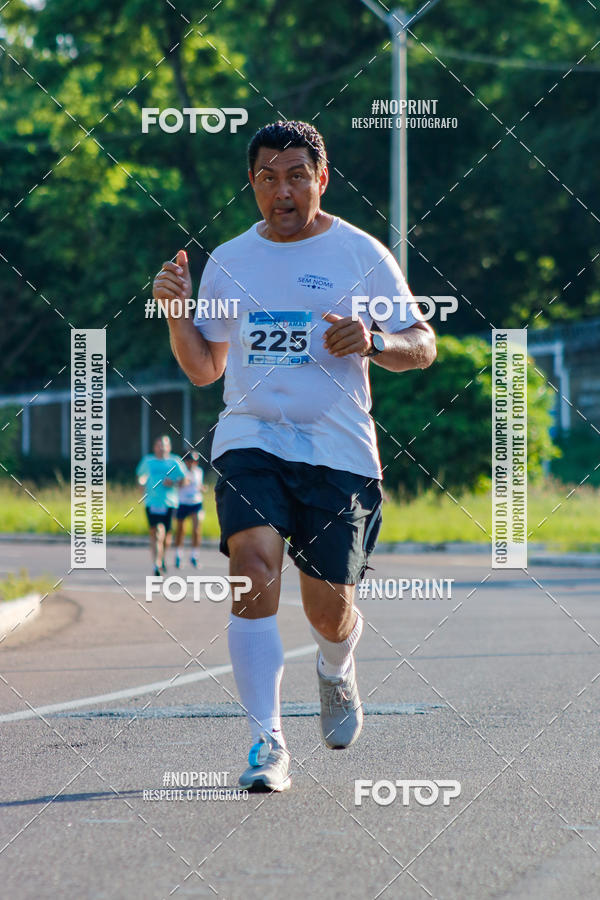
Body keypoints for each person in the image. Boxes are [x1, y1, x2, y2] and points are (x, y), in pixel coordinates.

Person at [152, 120, 436, 792]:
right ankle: (266, 742)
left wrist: (370, 341)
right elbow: (203, 369)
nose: (284, 191)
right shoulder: (230, 260)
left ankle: (337, 667)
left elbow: (422, 345)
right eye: (269, 178)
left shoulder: (360, 255)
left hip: (339, 452)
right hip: (252, 437)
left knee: (327, 608)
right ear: (252, 183)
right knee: (251, 565)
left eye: (297, 176)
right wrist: (175, 314)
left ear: (322, 179)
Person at [136, 435, 187, 577]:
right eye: (159, 445)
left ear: (169, 447)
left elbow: (185, 480)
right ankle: (157, 564)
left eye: (164, 445)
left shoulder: (175, 462)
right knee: (156, 532)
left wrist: (174, 483)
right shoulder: (148, 461)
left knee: (167, 536)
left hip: (170, 503)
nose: (162, 448)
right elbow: (141, 476)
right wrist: (141, 483)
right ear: (154, 447)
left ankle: (162, 557)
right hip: (152, 502)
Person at [174, 451, 207, 569]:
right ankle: (178, 554)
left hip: (196, 503)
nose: (193, 464)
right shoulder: (181, 472)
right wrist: (182, 482)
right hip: (183, 503)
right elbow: (176, 484)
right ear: (186, 462)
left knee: (197, 529)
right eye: (190, 461)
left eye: (195, 461)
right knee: (181, 530)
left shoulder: (199, 472)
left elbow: (199, 485)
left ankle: (194, 555)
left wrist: (203, 488)